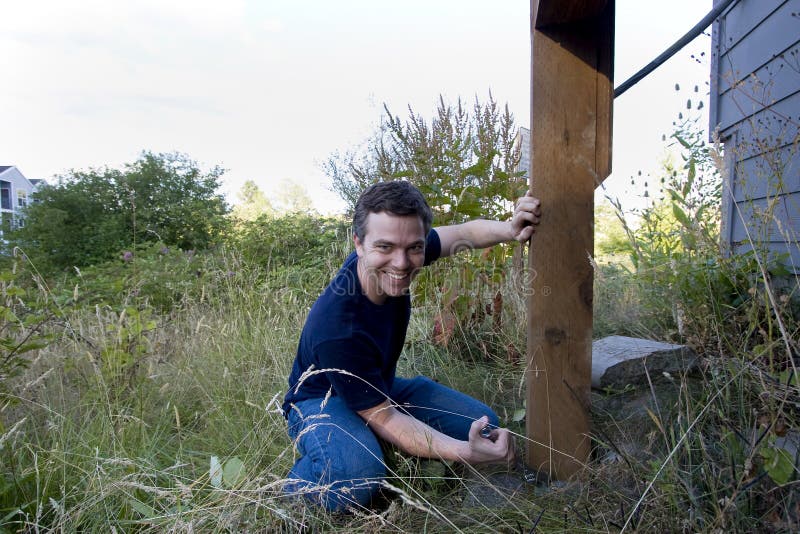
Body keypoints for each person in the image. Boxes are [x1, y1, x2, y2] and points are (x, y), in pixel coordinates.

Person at [282, 181, 541, 511]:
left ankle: (372, 442)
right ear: (358, 244)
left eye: (414, 248)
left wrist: (510, 228)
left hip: (377, 388)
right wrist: (466, 453)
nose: (402, 263)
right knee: (358, 474)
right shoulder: (337, 326)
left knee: (483, 425)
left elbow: (466, 233)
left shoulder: (400, 247)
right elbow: (386, 418)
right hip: (319, 401)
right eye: (385, 247)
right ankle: (288, 492)